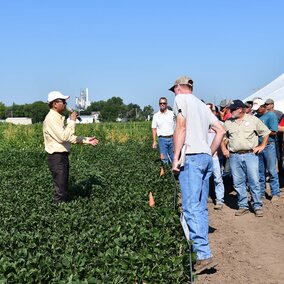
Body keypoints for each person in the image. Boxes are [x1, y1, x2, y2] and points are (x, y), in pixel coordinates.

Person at [170, 76, 225, 274]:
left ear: (178, 88)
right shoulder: (203, 105)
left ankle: (202, 255)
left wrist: (175, 158)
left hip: (191, 158)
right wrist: (209, 152)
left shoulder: (180, 100)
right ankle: (201, 251)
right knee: (200, 207)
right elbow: (220, 129)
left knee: (191, 207)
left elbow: (181, 128)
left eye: (174, 90)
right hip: (204, 157)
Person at [43, 91, 99, 204]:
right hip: (57, 157)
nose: (65, 104)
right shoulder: (51, 119)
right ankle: (57, 214)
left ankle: (61, 211)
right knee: (61, 191)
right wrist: (72, 121)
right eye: (63, 101)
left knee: (63, 187)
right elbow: (64, 137)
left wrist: (87, 140)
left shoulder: (58, 118)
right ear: (55, 104)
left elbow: (69, 137)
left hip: (61, 157)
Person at [221, 100, 270, 217]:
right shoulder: (228, 122)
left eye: (232, 109)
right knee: (238, 182)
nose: (230, 111)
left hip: (250, 155)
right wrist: (224, 148)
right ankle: (243, 205)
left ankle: (257, 205)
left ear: (240, 109)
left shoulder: (253, 120)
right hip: (234, 156)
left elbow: (265, 132)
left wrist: (262, 145)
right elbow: (223, 137)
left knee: (254, 180)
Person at [252, 98, 280, 202]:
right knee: (260, 171)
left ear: (263, 106)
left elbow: (274, 131)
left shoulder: (271, 115)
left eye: (258, 108)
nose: (257, 111)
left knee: (272, 170)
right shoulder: (256, 117)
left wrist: (262, 132)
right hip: (258, 146)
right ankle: (261, 193)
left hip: (268, 145)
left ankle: (275, 193)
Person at [207, 103, 225, 210]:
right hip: (204, 155)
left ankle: (219, 200)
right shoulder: (201, 125)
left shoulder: (220, 124)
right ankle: (207, 196)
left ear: (215, 112)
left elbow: (225, 139)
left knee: (217, 178)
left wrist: (222, 149)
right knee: (205, 178)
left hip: (215, 156)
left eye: (210, 110)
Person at [152, 97, 175, 164]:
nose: (162, 104)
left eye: (164, 103)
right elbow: (154, 129)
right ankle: (166, 173)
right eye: (161, 103)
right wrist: (154, 141)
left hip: (172, 138)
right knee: (164, 158)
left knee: (174, 157)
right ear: (159, 104)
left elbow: (177, 127)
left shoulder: (172, 114)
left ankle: (175, 173)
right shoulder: (156, 116)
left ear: (166, 104)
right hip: (162, 139)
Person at [265, 98, 283, 174]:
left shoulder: (279, 113)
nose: (266, 105)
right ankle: (271, 172)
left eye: (268, 104)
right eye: (266, 104)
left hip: (278, 136)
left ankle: (281, 171)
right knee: (270, 156)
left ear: (272, 104)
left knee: (279, 154)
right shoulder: (265, 114)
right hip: (269, 137)